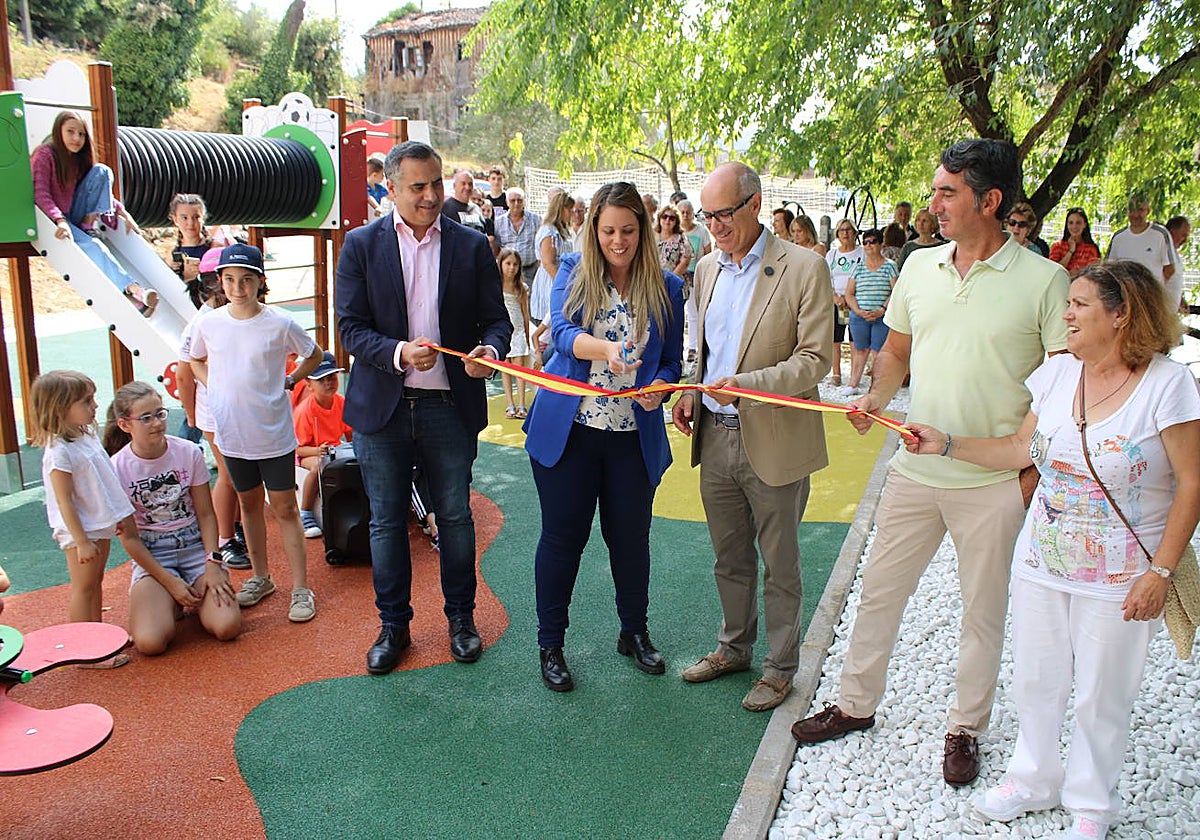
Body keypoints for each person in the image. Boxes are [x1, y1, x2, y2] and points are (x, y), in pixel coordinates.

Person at [791, 139, 1070, 787]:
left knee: (981, 612)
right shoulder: (918, 267)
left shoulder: (1046, 282)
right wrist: (874, 396)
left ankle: (965, 728)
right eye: (936, 190)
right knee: (880, 594)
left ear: (990, 200)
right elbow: (895, 351)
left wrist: (1028, 469)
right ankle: (855, 706)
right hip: (915, 471)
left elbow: (1062, 386)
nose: (934, 203)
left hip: (995, 483)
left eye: (948, 192)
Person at [904, 261, 1200, 840]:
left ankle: (1091, 803)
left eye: (1080, 305)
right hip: (1042, 561)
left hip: (1121, 572)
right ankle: (1034, 777)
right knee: (1037, 677)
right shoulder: (1058, 374)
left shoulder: (1168, 384)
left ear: (1121, 316)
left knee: (1102, 690)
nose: (1066, 314)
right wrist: (947, 444)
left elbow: (1193, 482)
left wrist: (1161, 571)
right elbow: (1022, 449)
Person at [336, 140, 512, 674]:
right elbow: (349, 328)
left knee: (455, 518)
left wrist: (492, 352)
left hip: (448, 406)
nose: (432, 195)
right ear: (390, 189)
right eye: (419, 186)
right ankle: (394, 628)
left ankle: (462, 620)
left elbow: (496, 320)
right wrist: (395, 353)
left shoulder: (471, 245)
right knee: (386, 523)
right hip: (382, 409)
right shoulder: (361, 246)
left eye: (437, 183)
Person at [671, 162, 833, 712]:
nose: (714, 225)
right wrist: (692, 389)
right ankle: (733, 648)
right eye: (706, 215)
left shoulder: (805, 266)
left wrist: (748, 386)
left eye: (724, 214)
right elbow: (703, 350)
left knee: (780, 563)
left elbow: (816, 361)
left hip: (776, 437)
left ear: (756, 204)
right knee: (729, 557)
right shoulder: (707, 269)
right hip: (715, 436)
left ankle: (780, 668)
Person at [524, 181, 684, 692]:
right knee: (562, 537)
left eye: (629, 231)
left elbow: (671, 362)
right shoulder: (572, 271)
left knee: (631, 540)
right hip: (569, 431)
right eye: (609, 230)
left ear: (644, 230)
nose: (619, 241)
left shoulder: (668, 288)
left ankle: (633, 632)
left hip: (629, 437)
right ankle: (552, 644)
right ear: (593, 229)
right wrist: (606, 351)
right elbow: (564, 333)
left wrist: (660, 387)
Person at [186, 244, 324, 623]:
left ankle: (300, 587)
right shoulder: (209, 323)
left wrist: (291, 379)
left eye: (247, 280)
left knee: (284, 508)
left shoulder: (279, 323)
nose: (237, 287)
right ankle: (262, 578)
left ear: (260, 282)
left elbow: (314, 354)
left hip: (273, 433)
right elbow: (194, 358)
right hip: (233, 433)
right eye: (230, 279)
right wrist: (211, 384)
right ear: (220, 281)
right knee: (247, 505)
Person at [103, 381, 241, 654]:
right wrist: (168, 581)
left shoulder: (188, 452)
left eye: (160, 413)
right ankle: (167, 599)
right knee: (150, 643)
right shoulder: (115, 468)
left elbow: (205, 514)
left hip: (194, 548)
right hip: (154, 554)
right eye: (146, 418)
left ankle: (186, 596)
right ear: (124, 425)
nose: (156, 423)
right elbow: (129, 538)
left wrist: (213, 561)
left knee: (227, 627)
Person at [31, 370, 135, 668]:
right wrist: (80, 541)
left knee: (95, 582)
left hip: (96, 523)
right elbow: (64, 499)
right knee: (84, 587)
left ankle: (98, 637)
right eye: (86, 401)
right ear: (61, 408)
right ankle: (84, 650)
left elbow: (99, 480)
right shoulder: (59, 451)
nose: (94, 406)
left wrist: (111, 515)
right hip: (81, 531)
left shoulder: (84, 435)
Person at [31, 111, 156, 316]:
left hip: (73, 213)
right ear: (58, 131)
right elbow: (40, 193)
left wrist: (123, 214)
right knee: (94, 246)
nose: (76, 139)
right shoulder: (45, 155)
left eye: (81, 134)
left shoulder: (76, 159)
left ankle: (89, 226)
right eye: (70, 132)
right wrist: (59, 220)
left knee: (102, 171)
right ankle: (135, 291)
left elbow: (97, 190)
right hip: (51, 217)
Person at [177, 251, 250, 571]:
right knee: (230, 475)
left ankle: (234, 528)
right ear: (215, 286)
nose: (236, 289)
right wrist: (192, 415)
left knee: (239, 475)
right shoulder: (202, 323)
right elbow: (183, 372)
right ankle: (224, 540)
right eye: (228, 281)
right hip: (214, 413)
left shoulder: (230, 316)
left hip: (237, 409)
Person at [293, 352, 352, 539]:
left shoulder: (341, 402)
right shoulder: (305, 411)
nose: (329, 383)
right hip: (307, 454)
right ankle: (306, 513)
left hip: (333, 450)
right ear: (309, 384)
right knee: (319, 465)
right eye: (321, 379)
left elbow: (352, 435)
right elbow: (296, 449)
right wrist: (318, 451)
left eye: (332, 377)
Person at [843, 228, 897, 394]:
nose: (868, 245)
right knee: (859, 350)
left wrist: (882, 309)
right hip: (859, 317)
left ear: (881, 244)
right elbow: (849, 293)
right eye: (865, 242)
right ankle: (853, 384)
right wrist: (858, 311)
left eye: (873, 241)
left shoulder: (890, 266)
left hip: (881, 317)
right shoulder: (858, 267)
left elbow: (896, 292)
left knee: (878, 352)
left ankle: (878, 389)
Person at [529, 191, 576, 356]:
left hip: (562, 280)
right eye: (569, 209)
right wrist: (564, 286)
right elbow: (548, 263)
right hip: (552, 283)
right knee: (548, 332)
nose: (571, 213)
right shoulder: (549, 231)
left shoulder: (561, 230)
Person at [1107, 195, 1175, 291]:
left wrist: (1156, 289)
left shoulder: (1160, 234)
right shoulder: (1118, 237)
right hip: (1125, 296)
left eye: (1140, 210)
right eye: (1132, 210)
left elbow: (1170, 268)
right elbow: (1109, 268)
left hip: (1151, 297)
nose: (1135, 214)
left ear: (1148, 210)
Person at [826, 219, 864, 387]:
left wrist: (851, 297)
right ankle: (836, 373)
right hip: (836, 301)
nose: (846, 233)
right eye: (842, 230)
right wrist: (835, 297)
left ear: (855, 232)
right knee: (835, 339)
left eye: (849, 230)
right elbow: (826, 278)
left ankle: (855, 376)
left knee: (855, 340)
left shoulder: (862, 253)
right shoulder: (832, 255)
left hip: (856, 300)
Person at [499, 248, 532, 417]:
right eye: (508, 264)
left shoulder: (521, 288)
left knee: (520, 368)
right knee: (505, 368)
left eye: (515, 264)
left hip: (518, 330)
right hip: (504, 331)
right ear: (501, 264)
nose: (512, 268)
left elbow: (525, 314)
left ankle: (521, 404)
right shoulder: (495, 285)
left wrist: (527, 336)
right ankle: (510, 404)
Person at [678, 199, 712, 364]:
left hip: (695, 276)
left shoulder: (701, 232)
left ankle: (693, 347)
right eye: (682, 212)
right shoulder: (675, 233)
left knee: (693, 313)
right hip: (678, 277)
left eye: (688, 212)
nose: (685, 215)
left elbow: (707, 253)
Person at [167, 193, 211, 309]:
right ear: (175, 219)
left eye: (196, 217)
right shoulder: (171, 253)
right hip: (184, 309)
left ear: (203, 218)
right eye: (184, 217)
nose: (190, 223)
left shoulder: (214, 248)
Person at [494, 187, 542, 286]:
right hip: (507, 273)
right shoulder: (498, 222)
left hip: (530, 272)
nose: (516, 203)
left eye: (519, 200)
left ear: (524, 201)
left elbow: (541, 244)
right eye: (512, 200)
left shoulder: (536, 220)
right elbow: (496, 248)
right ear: (507, 202)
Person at [442, 170, 494, 245]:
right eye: (463, 183)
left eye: (470, 184)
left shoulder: (476, 209)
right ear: (454, 186)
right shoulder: (445, 207)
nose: (467, 187)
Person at [1048, 207, 1102, 274]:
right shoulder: (1057, 246)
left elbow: (1090, 275)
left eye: (1078, 223)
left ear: (1084, 225)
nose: (1074, 226)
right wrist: (1070, 251)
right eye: (1071, 223)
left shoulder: (1091, 249)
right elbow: (1053, 271)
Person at [656, 204, 693, 277]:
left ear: (676, 221)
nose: (667, 220)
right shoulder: (651, 236)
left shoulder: (681, 239)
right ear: (659, 218)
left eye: (672, 218)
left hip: (673, 281)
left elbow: (685, 262)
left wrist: (669, 279)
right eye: (665, 217)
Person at [1164, 215, 1190, 312]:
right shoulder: (1162, 252)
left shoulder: (1174, 254)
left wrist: (1180, 299)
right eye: (1183, 235)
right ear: (1171, 233)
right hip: (1161, 311)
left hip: (1171, 313)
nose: (1185, 240)